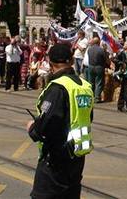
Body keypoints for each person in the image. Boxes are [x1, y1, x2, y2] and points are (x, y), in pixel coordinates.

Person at [26, 43, 94, 199]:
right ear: (71, 61)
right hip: (77, 156)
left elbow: (43, 128)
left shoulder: (58, 88)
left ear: (50, 63)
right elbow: (88, 117)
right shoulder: (84, 86)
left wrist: (32, 128)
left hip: (56, 159)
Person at [87, 37, 107, 103]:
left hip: (90, 66)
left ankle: (91, 96)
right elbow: (104, 59)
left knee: (91, 82)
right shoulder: (101, 50)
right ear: (98, 42)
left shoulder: (89, 49)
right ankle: (97, 98)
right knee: (99, 82)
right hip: (99, 67)